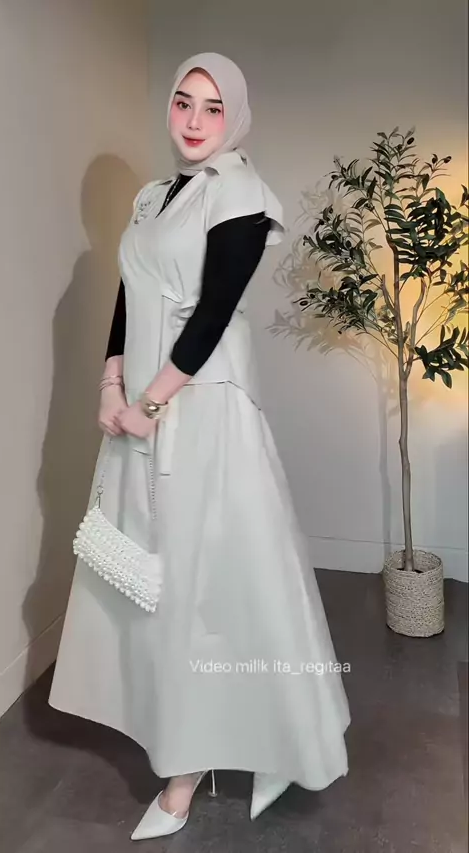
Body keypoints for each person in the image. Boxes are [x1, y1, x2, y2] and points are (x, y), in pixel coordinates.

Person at [49, 52, 351, 841]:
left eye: (212, 108)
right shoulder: (153, 197)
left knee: (202, 587)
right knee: (147, 581)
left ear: (235, 117)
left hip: (202, 410)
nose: (193, 120)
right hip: (140, 411)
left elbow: (214, 313)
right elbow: (129, 297)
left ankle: (189, 772)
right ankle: (178, 730)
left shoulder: (241, 193)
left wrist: (151, 402)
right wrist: (111, 387)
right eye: (184, 101)